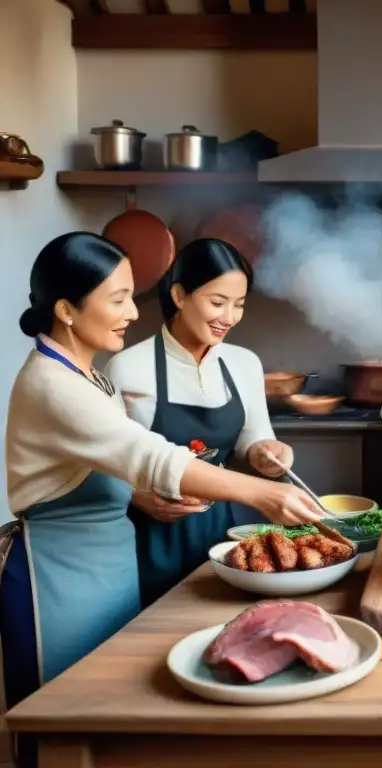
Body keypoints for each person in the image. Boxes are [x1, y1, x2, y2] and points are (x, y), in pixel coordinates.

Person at [0, 233, 322, 768]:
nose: (132, 311)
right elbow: (151, 456)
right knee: (59, 726)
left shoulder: (86, 373)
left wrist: (262, 469)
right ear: (66, 310)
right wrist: (262, 492)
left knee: (112, 727)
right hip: (59, 581)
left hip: (107, 571)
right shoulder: (53, 385)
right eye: (118, 298)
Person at [105, 238, 293, 608]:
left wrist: (267, 453)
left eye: (239, 305)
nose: (230, 317)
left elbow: (254, 439)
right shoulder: (128, 367)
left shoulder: (244, 363)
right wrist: (137, 495)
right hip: (148, 536)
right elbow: (105, 462)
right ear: (179, 295)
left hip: (220, 533)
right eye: (217, 302)